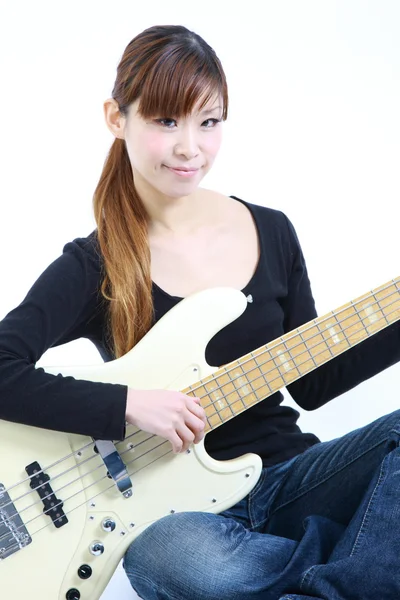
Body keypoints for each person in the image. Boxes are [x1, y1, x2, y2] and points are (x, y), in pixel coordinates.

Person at [1, 24, 400, 600]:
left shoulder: (272, 230)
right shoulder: (96, 263)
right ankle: (351, 561)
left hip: (291, 478)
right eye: (167, 122)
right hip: (184, 515)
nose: (191, 147)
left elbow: (316, 383)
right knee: (165, 558)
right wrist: (129, 405)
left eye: (208, 123)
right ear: (117, 118)